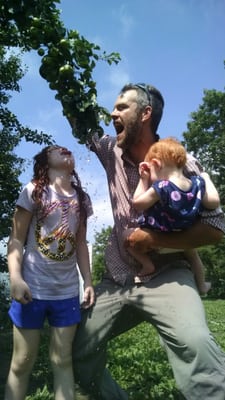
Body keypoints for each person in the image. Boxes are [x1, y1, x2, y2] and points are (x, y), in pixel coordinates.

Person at [70, 83, 225, 400]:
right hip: (118, 278)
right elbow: (84, 126)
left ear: (145, 113)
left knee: (196, 344)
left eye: (121, 107)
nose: (113, 113)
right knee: (77, 349)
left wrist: (151, 237)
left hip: (168, 274)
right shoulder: (109, 150)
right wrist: (66, 85)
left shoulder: (180, 162)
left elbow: (216, 227)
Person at [4, 145, 95, 400]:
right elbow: (16, 239)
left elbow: (80, 245)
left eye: (68, 150)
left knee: (63, 360)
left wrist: (87, 281)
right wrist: (15, 277)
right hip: (31, 289)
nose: (65, 150)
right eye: (56, 149)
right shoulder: (34, 191)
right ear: (45, 161)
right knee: (21, 362)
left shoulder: (82, 198)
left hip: (66, 292)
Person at [123, 137, 220, 294]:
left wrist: (144, 179)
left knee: (125, 235)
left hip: (157, 239)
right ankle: (202, 285)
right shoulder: (196, 183)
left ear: (156, 164)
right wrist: (206, 178)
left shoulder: (162, 187)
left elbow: (138, 203)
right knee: (194, 257)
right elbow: (213, 202)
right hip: (183, 241)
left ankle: (147, 264)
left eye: (151, 170)